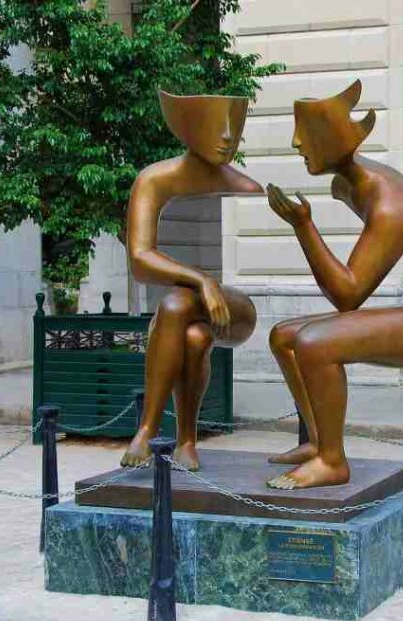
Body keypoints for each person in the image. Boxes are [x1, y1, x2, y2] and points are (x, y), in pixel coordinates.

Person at [264, 81, 403, 489]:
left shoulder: (391, 204)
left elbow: (348, 295)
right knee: (283, 337)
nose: (296, 143)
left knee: (315, 343)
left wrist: (303, 226)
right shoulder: (350, 182)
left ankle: (333, 461)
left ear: (333, 139)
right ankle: (317, 442)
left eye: (305, 134)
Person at [120, 91, 261, 471]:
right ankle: (186, 442)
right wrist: (201, 281)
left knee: (174, 305)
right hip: (184, 313)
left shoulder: (248, 186)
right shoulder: (154, 181)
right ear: (186, 127)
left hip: (238, 310)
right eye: (217, 124)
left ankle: (148, 428)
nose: (229, 135)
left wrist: (209, 285)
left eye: (236, 123)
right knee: (194, 336)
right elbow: (139, 259)